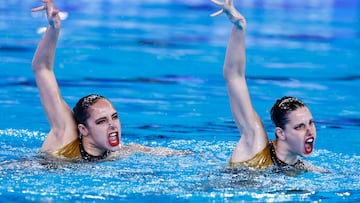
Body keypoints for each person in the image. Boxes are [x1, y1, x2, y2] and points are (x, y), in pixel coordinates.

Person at [31, 0, 189, 162]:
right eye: (101, 121)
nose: (112, 125)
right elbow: (41, 68)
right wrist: (54, 28)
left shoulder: (118, 151)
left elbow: (172, 154)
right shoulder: (67, 136)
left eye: (114, 117)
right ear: (83, 129)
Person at [210, 0, 316, 170]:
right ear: (281, 133)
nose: (310, 131)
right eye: (300, 127)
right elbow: (234, 76)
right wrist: (239, 27)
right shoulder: (256, 143)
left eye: (311, 123)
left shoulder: (303, 168)